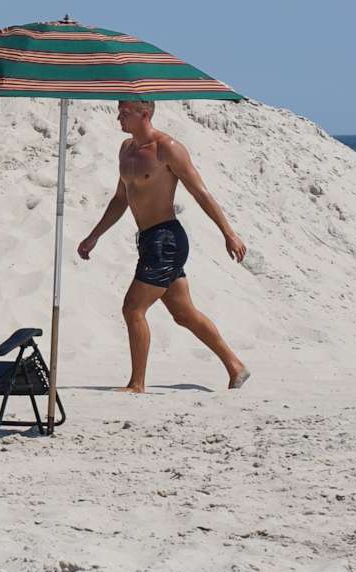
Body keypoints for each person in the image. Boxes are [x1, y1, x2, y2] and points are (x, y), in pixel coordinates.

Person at [76, 100, 251, 393]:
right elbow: (121, 198)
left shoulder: (167, 148)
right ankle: (236, 367)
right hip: (148, 239)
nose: (119, 116)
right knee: (183, 313)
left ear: (145, 114)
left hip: (166, 240)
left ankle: (136, 384)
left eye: (125, 112)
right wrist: (95, 235)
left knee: (133, 308)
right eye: (119, 111)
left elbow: (201, 193)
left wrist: (229, 233)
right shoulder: (126, 150)